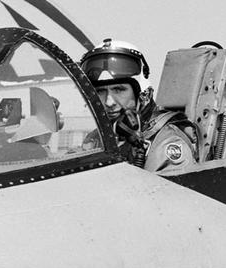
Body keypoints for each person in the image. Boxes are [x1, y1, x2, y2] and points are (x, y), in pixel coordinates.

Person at [81, 38, 197, 171]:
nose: (109, 102)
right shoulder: (96, 138)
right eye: (100, 91)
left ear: (142, 95)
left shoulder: (165, 142)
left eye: (119, 90)